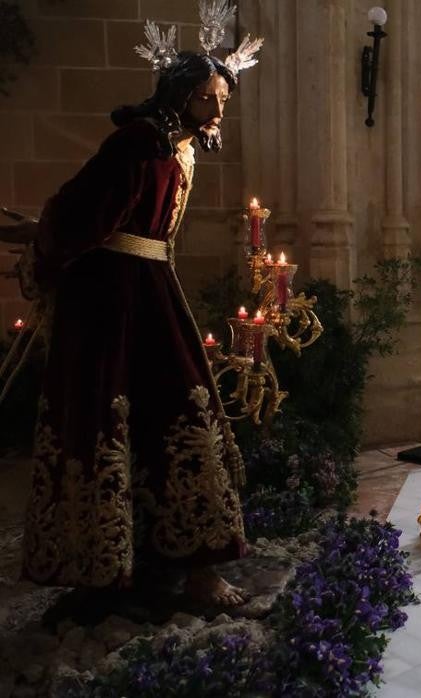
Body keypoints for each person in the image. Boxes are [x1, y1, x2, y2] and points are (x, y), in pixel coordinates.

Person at [2, 6, 263, 606]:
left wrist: (47, 239)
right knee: (132, 412)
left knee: (177, 412)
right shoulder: (140, 142)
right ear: (179, 94)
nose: (219, 110)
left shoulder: (177, 142)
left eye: (223, 98)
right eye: (208, 98)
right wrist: (46, 236)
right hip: (111, 297)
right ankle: (110, 567)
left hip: (145, 288)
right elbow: (84, 215)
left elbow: (85, 217)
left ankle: (184, 564)